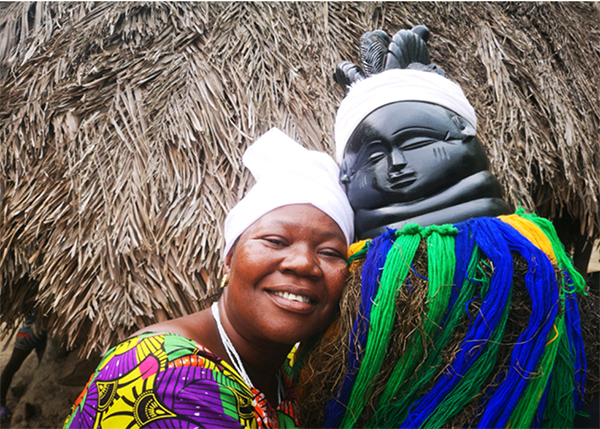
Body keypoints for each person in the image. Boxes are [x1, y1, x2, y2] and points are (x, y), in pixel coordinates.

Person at [63, 128, 354, 428]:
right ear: (228, 260)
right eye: (276, 241)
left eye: (330, 252)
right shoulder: (168, 372)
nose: (304, 263)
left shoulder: (288, 374)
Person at [1, 311, 47, 425]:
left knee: (42, 371)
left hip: (43, 335)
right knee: (12, 366)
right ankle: (0, 402)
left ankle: (34, 402)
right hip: (29, 333)